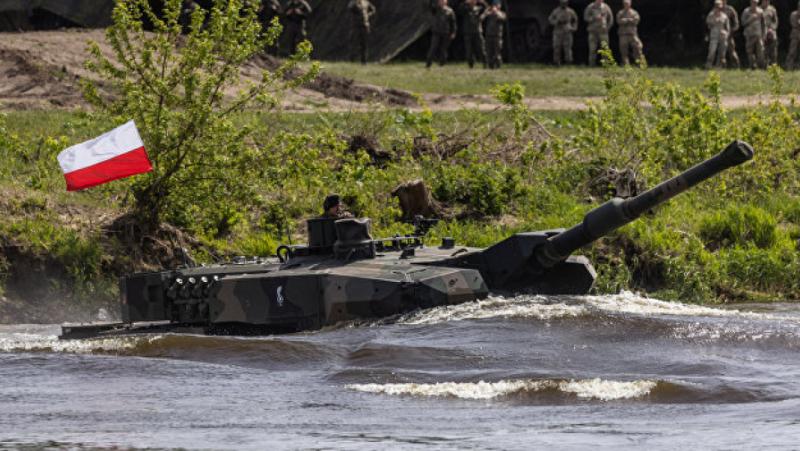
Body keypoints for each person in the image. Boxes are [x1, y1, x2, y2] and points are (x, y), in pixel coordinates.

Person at [426, 0, 457, 68]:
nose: (441, 2)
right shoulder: (435, 9)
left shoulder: (450, 11)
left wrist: (453, 32)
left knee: (443, 49)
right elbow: (429, 6)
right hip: (436, 32)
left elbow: (453, 23)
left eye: (443, 1)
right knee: (433, 48)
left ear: (446, 2)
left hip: (446, 32)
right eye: (440, 1)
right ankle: (428, 64)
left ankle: (442, 64)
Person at [583, 0, 614, 66]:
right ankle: (592, 64)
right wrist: (594, 18)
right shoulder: (590, 7)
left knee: (605, 48)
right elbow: (585, 17)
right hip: (593, 31)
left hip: (603, 31)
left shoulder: (606, 7)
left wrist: (607, 28)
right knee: (592, 48)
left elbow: (611, 19)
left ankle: (605, 64)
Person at [548, 0, 578, 66]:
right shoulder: (556, 11)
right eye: (562, 3)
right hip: (558, 31)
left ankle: (569, 62)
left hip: (567, 30)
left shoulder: (570, 11)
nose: (563, 4)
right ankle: (556, 62)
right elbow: (550, 19)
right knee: (557, 47)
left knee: (568, 48)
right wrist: (556, 22)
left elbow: (575, 20)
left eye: (565, 3)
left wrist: (573, 28)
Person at [459, 0, 488, 68]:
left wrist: (481, 1)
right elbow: (459, 10)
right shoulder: (465, 8)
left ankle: (485, 63)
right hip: (467, 32)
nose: (472, 2)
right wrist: (465, 2)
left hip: (477, 31)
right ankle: (471, 65)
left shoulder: (479, 8)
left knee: (481, 48)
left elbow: (486, 8)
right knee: (469, 50)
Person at [348, 0, 376, 64]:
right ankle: (352, 60)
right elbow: (349, 7)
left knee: (364, 44)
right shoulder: (354, 3)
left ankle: (364, 61)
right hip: (356, 26)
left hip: (365, 26)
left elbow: (373, 9)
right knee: (354, 43)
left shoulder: (366, 2)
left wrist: (368, 15)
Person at [616, 0, 643, 66]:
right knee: (623, 50)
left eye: (627, 3)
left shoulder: (634, 12)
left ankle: (639, 63)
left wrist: (628, 20)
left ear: (630, 4)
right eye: (625, 4)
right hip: (623, 34)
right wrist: (627, 20)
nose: (626, 5)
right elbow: (618, 21)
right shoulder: (620, 13)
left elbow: (636, 20)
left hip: (632, 33)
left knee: (637, 47)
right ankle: (625, 64)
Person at [742, 0, 766, 69]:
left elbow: (763, 24)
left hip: (758, 34)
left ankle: (761, 66)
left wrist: (764, 34)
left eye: (755, 3)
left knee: (760, 51)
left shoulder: (760, 11)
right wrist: (751, 19)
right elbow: (743, 23)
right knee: (750, 52)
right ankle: (752, 66)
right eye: (753, 2)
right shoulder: (746, 11)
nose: (754, 4)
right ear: (750, 2)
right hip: (749, 35)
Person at [706, 0, 731, 69]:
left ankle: (719, 66)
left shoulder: (724, 16)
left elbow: (727, 27)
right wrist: (714, 21)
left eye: (719, 6)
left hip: (723, 36)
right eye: (717, 6)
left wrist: (726, 33)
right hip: (714, 35)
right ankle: (708, 65)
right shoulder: (711, 15)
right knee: (712, 51)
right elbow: (708, 25)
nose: (718, 8)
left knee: (722, 52)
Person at [482, 3, 507, 69]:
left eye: (497, 5)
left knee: (497, 52)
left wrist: (496, 13)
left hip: (497, 36)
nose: (495, 7)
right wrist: (486, 12)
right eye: (494, 6)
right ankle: (490, 66)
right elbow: (481, 18)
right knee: (489, 52)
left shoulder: (502, 13)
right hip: (489, 35)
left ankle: (498, 66)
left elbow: (503, 19)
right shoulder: (489, 14)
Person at [721, 0, 741, 68]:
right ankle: (722, 66)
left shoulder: (730, 9)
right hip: (719, 34)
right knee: (720, 51)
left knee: (731, 51)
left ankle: (737, 65)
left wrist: (732, 31)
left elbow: (736, 22)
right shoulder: (717, 9)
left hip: (729, 34)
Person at [762, 0, 779, 66]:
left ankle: (774, 65)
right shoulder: (758, 9)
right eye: (765, 1)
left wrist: (771, 29)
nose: (766, 2)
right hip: (762, 32)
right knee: (764, 50)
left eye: (767, 1)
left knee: (773, 50)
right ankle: (764, 65)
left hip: (771, 31)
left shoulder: (772, 9)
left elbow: (776, 21)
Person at [787, 0, 800, 69]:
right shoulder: (793, 14)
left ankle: (798, 66)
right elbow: (794, 24)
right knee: (792, 51)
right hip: (795, 35)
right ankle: (789, 65)